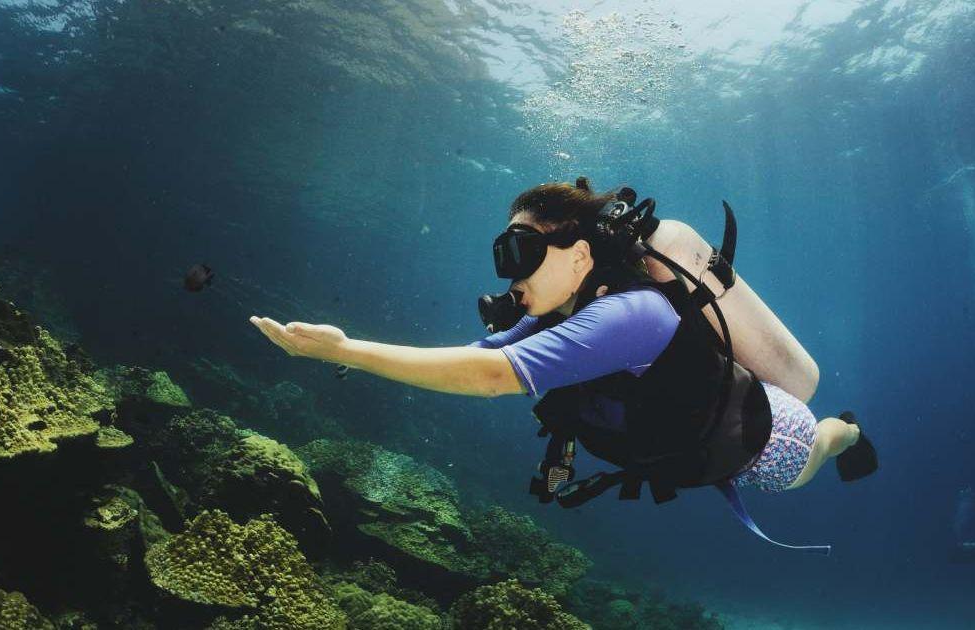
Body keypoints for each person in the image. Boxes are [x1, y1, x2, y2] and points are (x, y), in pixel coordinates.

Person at [251, 177, 877, 553]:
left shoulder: (632, 316)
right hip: (703, 439)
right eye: (505, 255)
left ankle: (846, 429)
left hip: (774, 440)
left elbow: (492, 379)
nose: (511, 275)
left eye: (521, 252)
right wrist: (349, 346)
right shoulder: (563, 316)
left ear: (580, 257)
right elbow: (480, 355)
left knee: (814, 454)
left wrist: (344, 354)